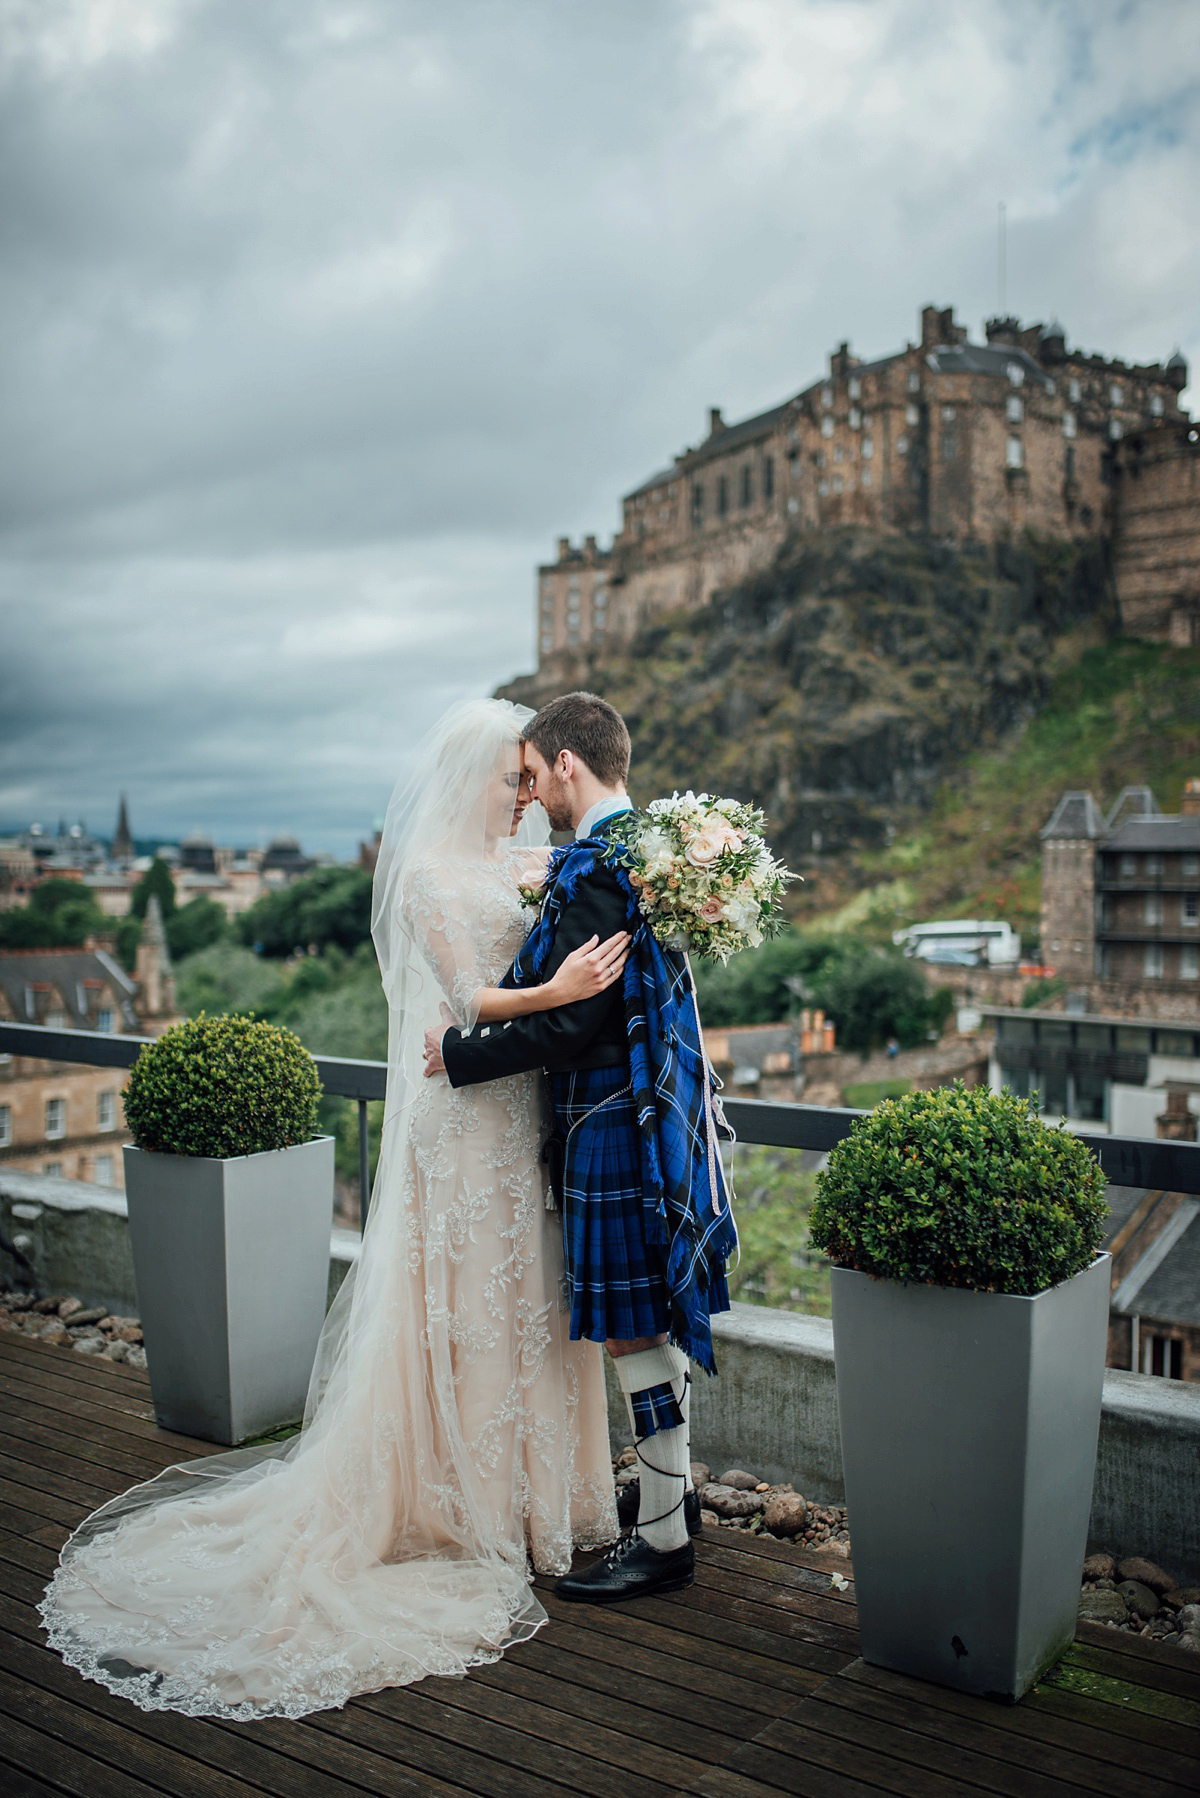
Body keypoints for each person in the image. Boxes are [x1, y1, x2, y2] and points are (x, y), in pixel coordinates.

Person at [39, 698, 622, 1719]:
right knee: (466, 1307)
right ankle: (459, 1507)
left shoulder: (528, 865)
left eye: (530, 781)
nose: (523, 797)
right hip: (464, 1120)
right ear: (468, 780)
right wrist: (561, 983)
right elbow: (470, 1001)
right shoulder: (434, 878)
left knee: (526, 1299)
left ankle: (542, 1505)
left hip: (521, 1115)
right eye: (508, 781)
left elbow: (599, 871)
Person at [425, 690, 737, 1605]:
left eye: (533, 775)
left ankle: (666, 1538)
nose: (531, 794)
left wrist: (460, 1055)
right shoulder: (644, 848)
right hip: (642, 1104)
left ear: (568, 764)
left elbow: (570, 1023)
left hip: (608, 1110)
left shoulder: (603, 863)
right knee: (650, 1325)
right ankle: (669, 1509)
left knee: (635, 1330)